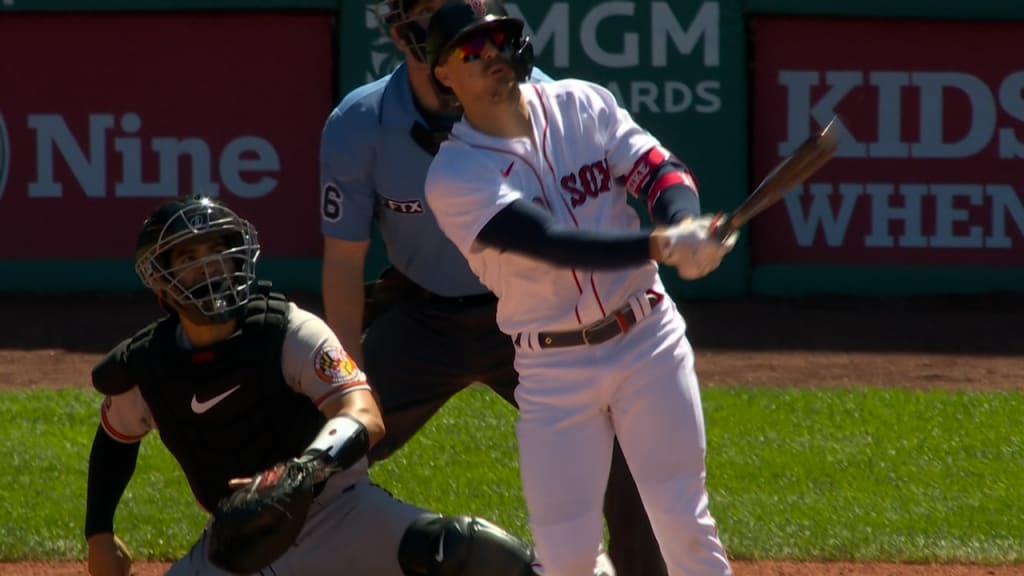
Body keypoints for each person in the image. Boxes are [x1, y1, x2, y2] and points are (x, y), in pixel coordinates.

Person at [319, 1, 663, 573]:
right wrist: (346, 388)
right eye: (427, 13)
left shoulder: (544, 101)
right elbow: (342, 263)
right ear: (401, 33)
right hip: (421, 318)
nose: (442, 24)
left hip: (538, 317)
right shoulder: (358, 123)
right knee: (321, 451)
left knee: (630, 451)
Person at [422, 1, 737, 574]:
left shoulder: (581, 104)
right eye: (472, 48)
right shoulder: (455, 173)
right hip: (553, 370)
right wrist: (663, 246)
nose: (491, 55)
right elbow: (548, 241)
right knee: (565, 558)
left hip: (648, 341)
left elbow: (658, 169)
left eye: (499, 40)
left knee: (683, 523)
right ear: (443, 72)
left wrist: (682, 219)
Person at [83, 195, 556, 576]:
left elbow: (364, 415)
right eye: (189, 257)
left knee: (462, 551)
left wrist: (302, 471)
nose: (210, 267)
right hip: (240, 543)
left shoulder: (286, 330)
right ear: (161, 282)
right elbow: (114, 438)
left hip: (339, 511)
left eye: (218, 251)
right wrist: (99, 534)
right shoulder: (150, 365)